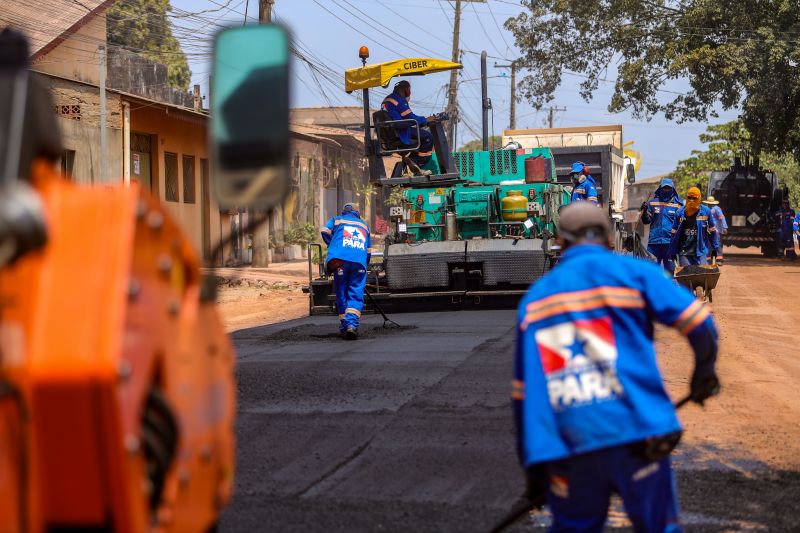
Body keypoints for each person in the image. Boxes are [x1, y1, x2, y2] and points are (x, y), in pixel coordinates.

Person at [513, 202, 720, 532]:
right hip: (639, 435)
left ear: (560, 244)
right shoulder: (635, 274)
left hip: (571, 446)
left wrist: (535, 468)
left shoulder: (536, 301)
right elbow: (700, 323)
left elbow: (524, 396)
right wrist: (704, 373)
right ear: (610, 239)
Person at [321, 204, 371, 339]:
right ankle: (351, 325)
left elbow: (325, 231)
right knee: (355, 293)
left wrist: (335, 244)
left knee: (342, 292)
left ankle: (345, 325)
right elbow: (368, 250)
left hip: (340, 261)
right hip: (358, 262)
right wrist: (364, 265)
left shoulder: (337, 220)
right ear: (357, 213)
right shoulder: (364, 225)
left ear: (344, 212)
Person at [382, 80, 438, 169]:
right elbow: (412, 118)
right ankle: (418, 163)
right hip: (400, 131)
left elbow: (405, 117)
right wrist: (426, 119)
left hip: (392, 131)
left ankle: (412, 160)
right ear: (405, 90)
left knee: (420, 134)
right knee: (428, 137)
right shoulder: (399, 100)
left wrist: (422, 121)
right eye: (409, 90)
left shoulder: (388, 99)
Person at [668, 187, 719, 266]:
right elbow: (674, 233)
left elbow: (712, 231)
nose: (691, 200)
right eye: (689, 198)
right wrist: (672, 250)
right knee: (687, 276)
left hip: (700, 251)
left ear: (699, 198)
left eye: (694, 198)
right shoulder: (679, 213)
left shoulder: (706, 212)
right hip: (684, 252)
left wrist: (715, 248)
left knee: (701, 276)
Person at [640, 177, 683, 274]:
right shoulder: (652, 202)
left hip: (670, 244)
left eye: (668, 188)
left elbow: (681, 225)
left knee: (671, 272)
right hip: (654, 243)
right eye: (664, 188)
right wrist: (644, 212)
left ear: (673, 189)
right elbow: (647, 221)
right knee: (651, 272)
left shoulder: (678, 205)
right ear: (660, 188)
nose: (666, 190)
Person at [703, 196, 728, 264]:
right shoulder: (706, 209)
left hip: (716, 230)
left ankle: (719, 259)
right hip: (708, 230)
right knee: (709, 244)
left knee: (718, 244)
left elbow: (722, 218)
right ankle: (709, 259)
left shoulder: (717, 209)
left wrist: (724, 227)